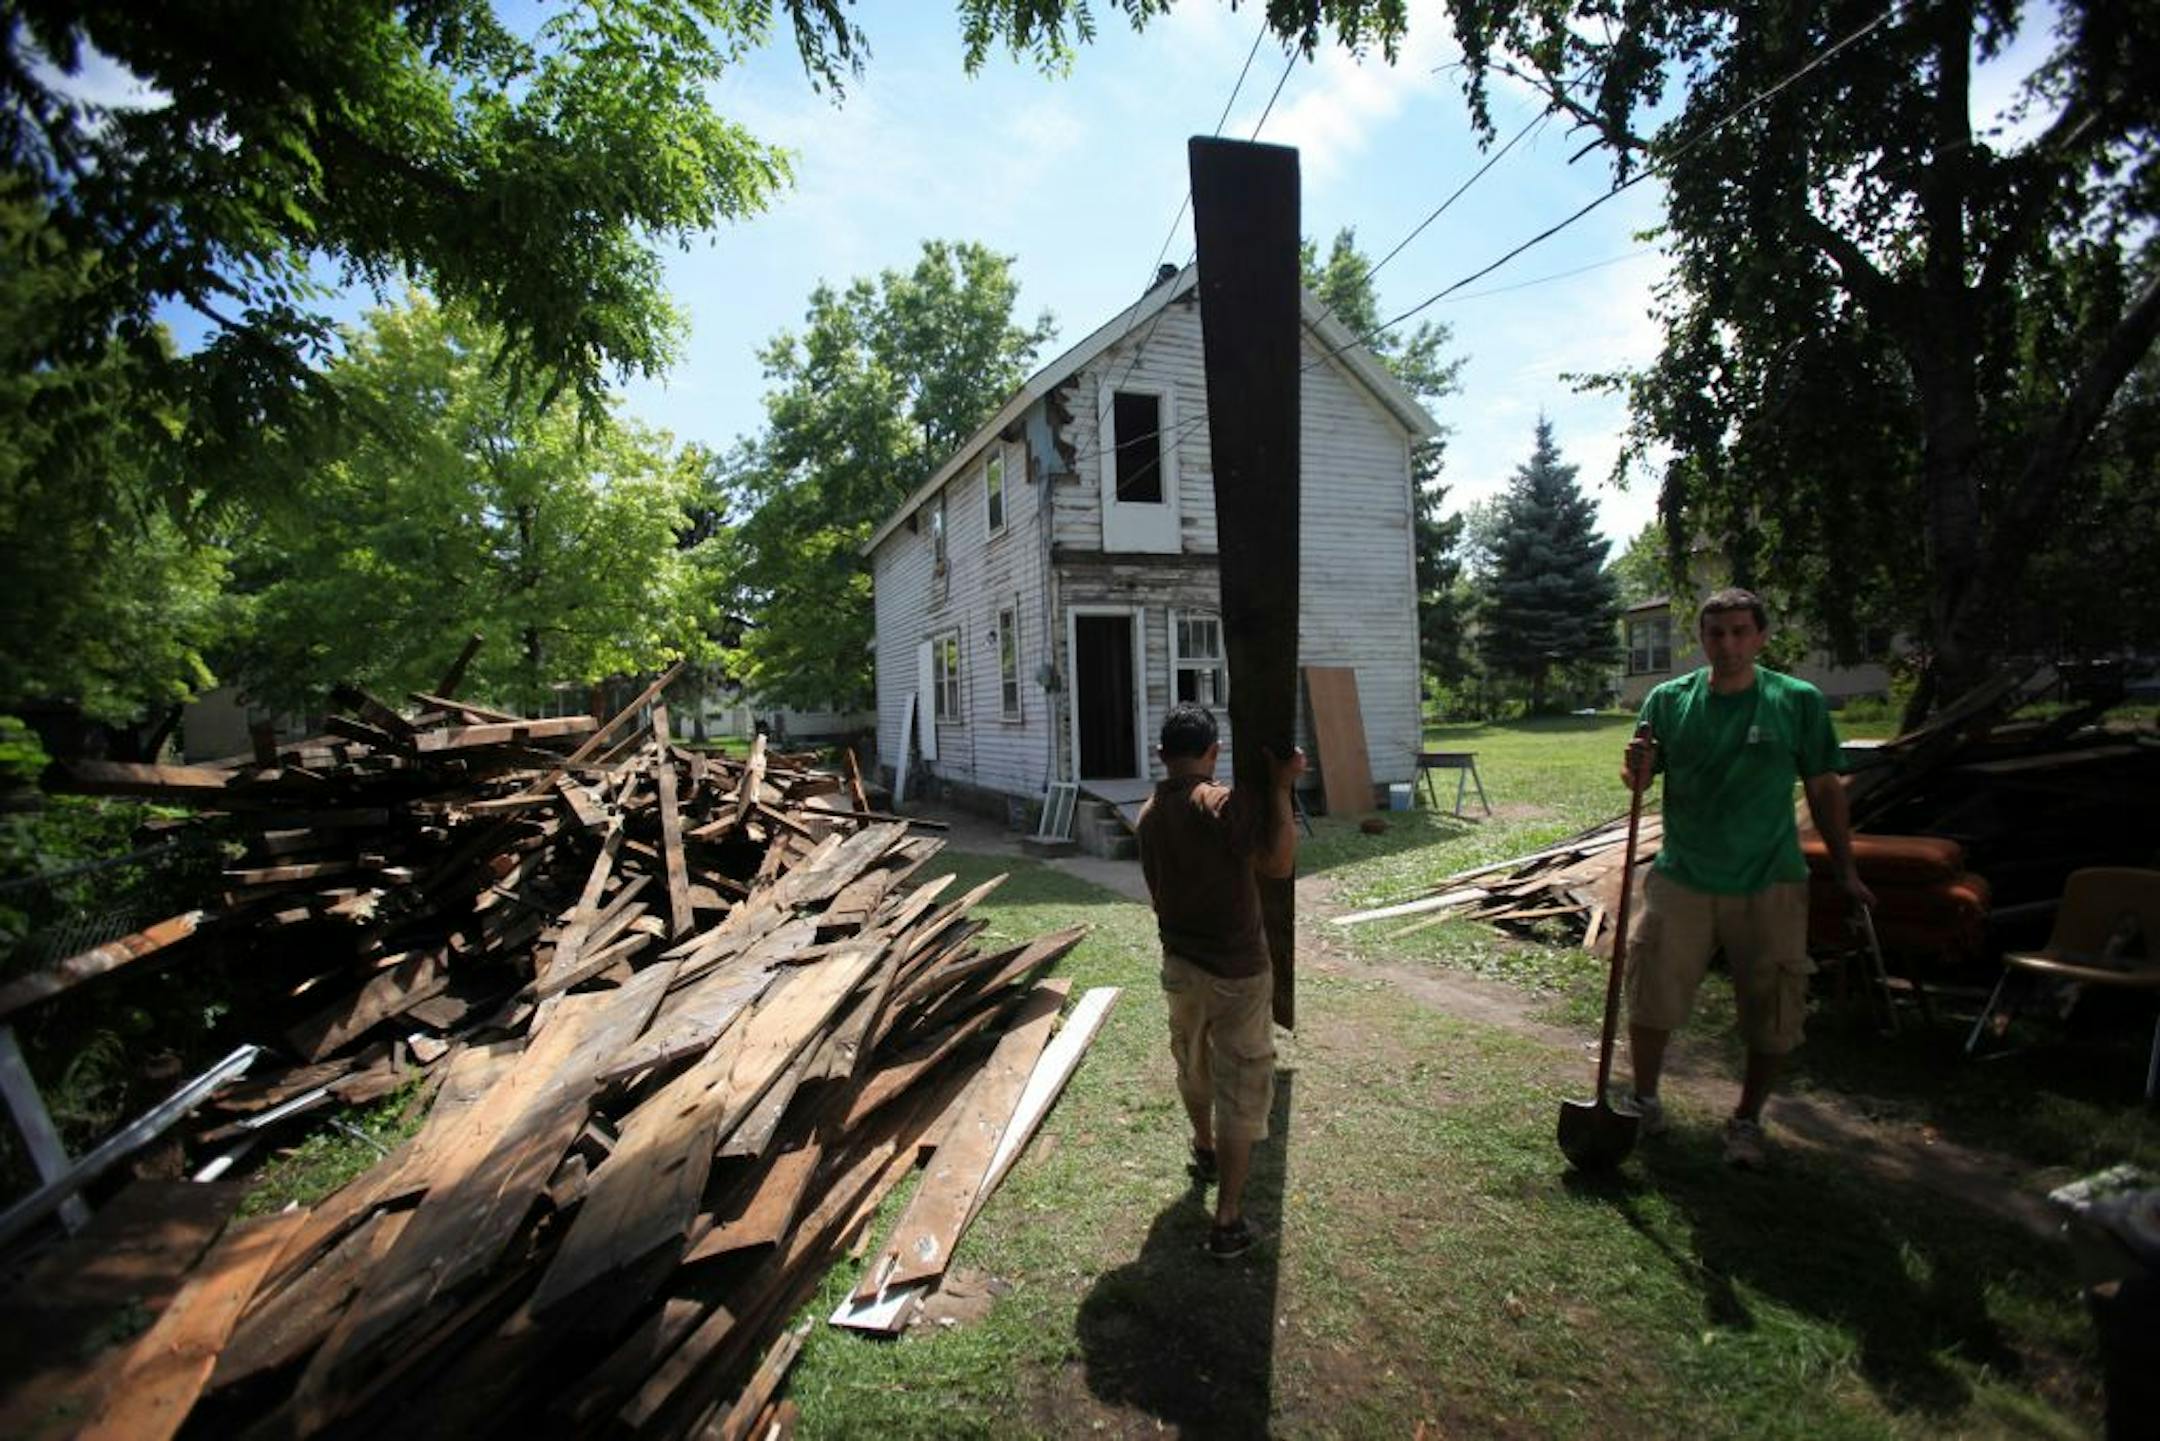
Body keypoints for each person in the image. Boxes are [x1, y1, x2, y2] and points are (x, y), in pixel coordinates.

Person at [1619, 588, 1874, 1168]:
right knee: (1651, 988)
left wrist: (1846, 868)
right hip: (1683, 873)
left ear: (1760, 638)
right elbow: (1638, 779)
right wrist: (1634, 766)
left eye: (1739, 632)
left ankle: (1747, 1120)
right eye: (1716, 633)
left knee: (1773, 1004)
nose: (1727, 644)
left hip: (1770, 879)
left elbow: (1824, 787)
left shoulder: (1797, 701)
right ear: (1702, 640)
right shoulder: (1667, 701)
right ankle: (1645, 1100)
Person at [1135, 702, 1305, 1258]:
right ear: (1214, 753)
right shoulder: (1218, 803)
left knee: (1192, 1061)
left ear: (1161, 756)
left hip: (1180, 967)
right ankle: (1227, 1221)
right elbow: (1279, 864)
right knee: (1243, 1085)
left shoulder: (1147, 816)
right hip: (1238, 973)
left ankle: (1203, 1146)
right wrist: (1280, 789)